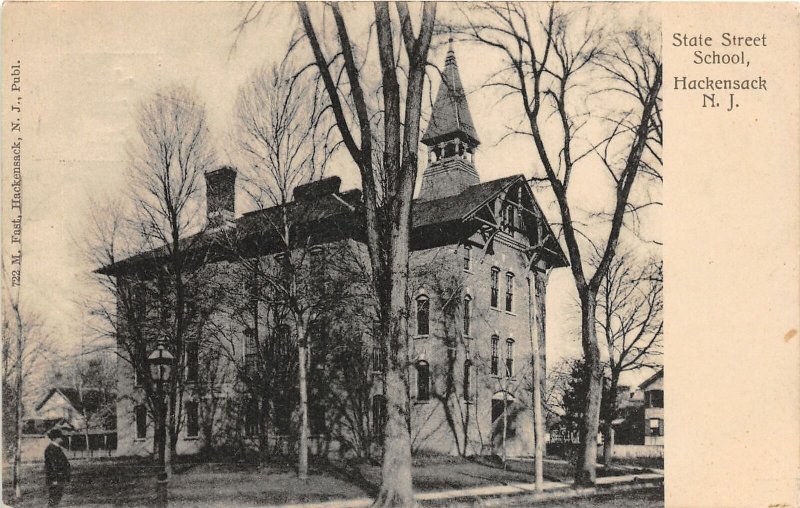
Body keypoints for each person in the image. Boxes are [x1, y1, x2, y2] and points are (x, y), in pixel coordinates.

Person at [44, 428, 71, 506]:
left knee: (57, 498)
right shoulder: (51, 449)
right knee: (54, 500)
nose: (61, 438)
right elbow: (52, 465)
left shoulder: (57, 448)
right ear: (55, 438)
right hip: (55, 478)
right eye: (60, 437)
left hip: (60, 477)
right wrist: (54, 479)